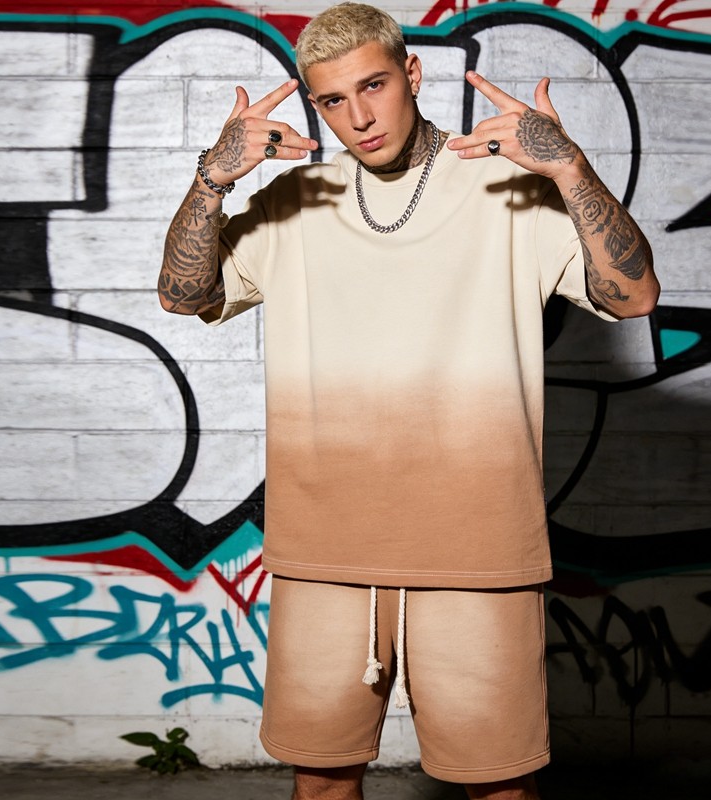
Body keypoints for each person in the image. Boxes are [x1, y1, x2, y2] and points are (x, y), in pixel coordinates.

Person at [158, 4, 659, 798]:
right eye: (332, 100)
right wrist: (211, 180)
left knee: (499, 786)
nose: (359, 117)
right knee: (322, 781)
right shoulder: (293, 203)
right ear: (314, 103)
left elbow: (633, 297)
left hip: (477, 548)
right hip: (325, 547)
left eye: (374, 86)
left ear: (412, 74)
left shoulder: (508, 191)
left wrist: (570, 170)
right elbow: (183, 296)